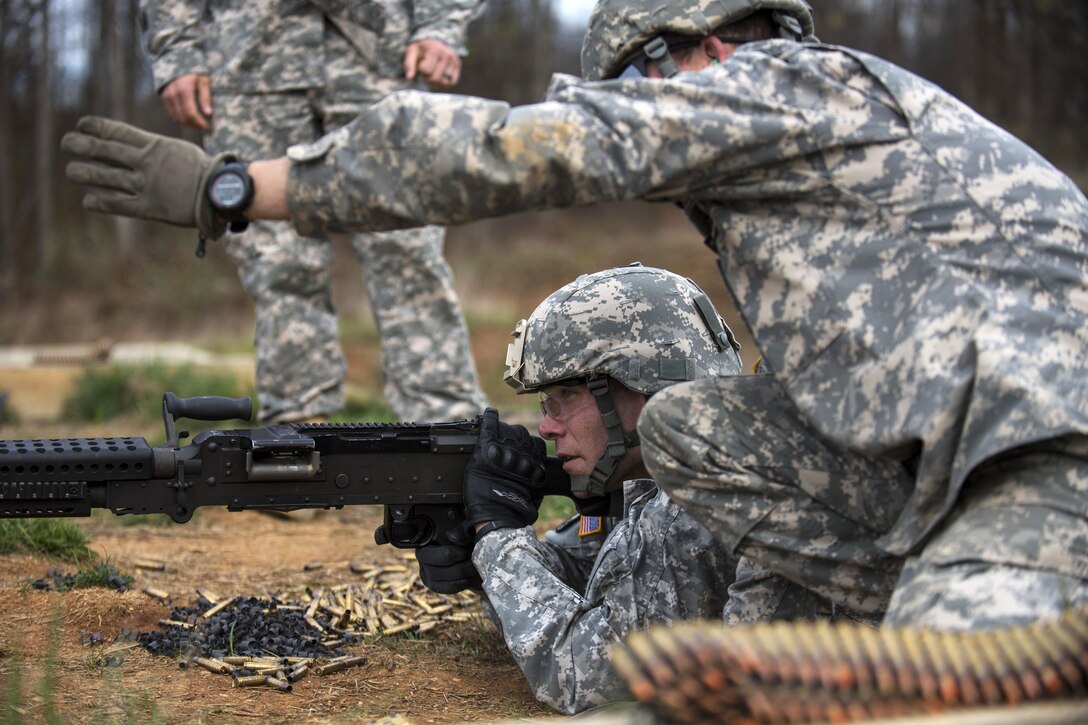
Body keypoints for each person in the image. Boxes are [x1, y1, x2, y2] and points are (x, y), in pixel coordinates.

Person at [62, 0, 1088, 631]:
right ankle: (876, 599)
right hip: (938, 470)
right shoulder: (805, 155)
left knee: (956, 682)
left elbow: (522, 147)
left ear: (698, 46)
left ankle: (969, 601)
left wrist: (245, 189)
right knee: (694, 425)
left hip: (1041, 455)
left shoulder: (777, 88)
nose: (636, 112)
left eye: (635, 87)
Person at [138, 0, 489, 424]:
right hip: (249, 64)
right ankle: (298, 445)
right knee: (279, 266)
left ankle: (448, 435)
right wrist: (177, 49)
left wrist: (440, 25)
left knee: (410, 255)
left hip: (381, 58)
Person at [421, 264, 748, 714]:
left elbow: (584, 675)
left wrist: (497, 536)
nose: (547, 427)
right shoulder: (662, 476)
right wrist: (484, 562)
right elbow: (587, 574)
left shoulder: (698, 496)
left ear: (648, 386)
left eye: (568, 398)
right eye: (546, 403)